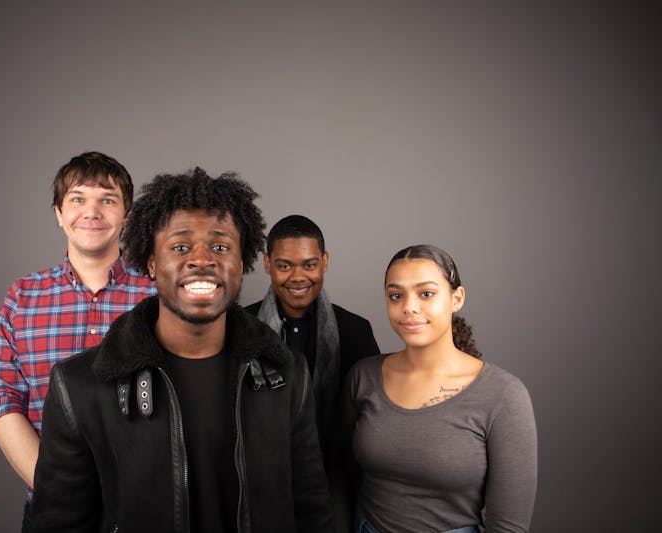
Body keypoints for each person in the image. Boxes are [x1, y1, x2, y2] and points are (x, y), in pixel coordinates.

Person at [32, 168, 333, 533]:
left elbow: (312, 510)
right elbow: (58, 523)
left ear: (242, 264)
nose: (202, 259)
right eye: (180, 247)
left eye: (221, 247)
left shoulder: (287, 373)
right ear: (152, 263)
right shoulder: (78, 386)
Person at [0, 152, 156, 532]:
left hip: (144, 511)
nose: (91, 212)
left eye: (107, 200)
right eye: (78, 199)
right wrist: (57, 487)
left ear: (126, 215)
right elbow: (2, 399)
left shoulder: (160, 296)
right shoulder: (22, 297)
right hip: (50, 508)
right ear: (59, 213)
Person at [340, 244, 537, 533]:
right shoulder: (363, 376)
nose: (409, 306)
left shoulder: (504, 395)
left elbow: (508, 526)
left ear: (457, 298)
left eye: (426, 293)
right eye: (396, 295)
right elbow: (337, 471)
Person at [245, 215, 380, 458]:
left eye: (309, 265)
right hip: (258, 471)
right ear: (267, 264)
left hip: (334, 472)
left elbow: (372, 419)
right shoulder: (240, 327)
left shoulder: (355, 331)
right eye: (284, 266)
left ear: (324, 261)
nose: (298, 277)